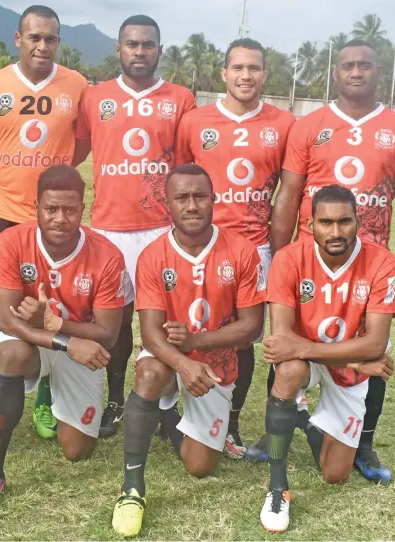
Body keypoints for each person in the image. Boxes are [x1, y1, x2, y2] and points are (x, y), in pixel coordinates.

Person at [253, 39, 395, 483]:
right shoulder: (311, 126)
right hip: (311, 261)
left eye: (364, 65)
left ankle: (362, 441)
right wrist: (277, 257)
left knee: (376, 349)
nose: (355, 72)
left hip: (369, 266)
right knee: (289, 343)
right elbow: (289, 194)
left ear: (377, 72)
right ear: (335, 73)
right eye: (347, 65)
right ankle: (280, 425)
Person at [111, 164, 266, 537]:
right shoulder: (152, 256)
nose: (192, 205)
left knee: (199, 467)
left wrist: (194, 343)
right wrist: (183, 363)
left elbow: (252, 326)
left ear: (214, 200)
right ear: (167, 203)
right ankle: (132, 487)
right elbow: (150, 334)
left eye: (200, 196)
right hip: (169, 357)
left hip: (215, 364)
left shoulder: (242, 251)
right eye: (182, 197)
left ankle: (169, 415)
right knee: (150, 373)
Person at [0, 165, 126, 519]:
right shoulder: (11, 241)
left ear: (82, 209)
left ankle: (53, 397)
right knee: (8, 352)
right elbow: (6, 319)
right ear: (36, 206)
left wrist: (55, 322)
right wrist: (63, 339)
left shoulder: (107, 255)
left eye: (70, 210)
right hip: (47, 343)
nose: (60, 218)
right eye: (51, 209)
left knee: (76, 450)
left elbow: (108, 333)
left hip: (73, 343)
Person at [0, 4, 88, 440]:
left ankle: (46, 401)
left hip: (56, 223)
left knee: (57, 308)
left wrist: (57, 175)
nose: (42, 45)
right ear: (18, 38)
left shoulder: (76, 84)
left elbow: (84, 141)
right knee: (8, 311)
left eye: (50, 38)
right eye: (34, 37)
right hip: (7, 215)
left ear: (59, 42)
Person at [73, 14, 196, 439]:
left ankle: (166, 404)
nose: (139, 51)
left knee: (166, 320)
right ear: (118, 49)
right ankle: (114, 398)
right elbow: (73, 152)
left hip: (163, 228)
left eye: (147, 45)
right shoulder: (95, 98)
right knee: (115, 322)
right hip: (109, 228)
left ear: (159, 50)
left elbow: (187, 167)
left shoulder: (180, 99)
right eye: (131, 44)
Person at [174, 38, 295, 458]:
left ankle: (232, 421)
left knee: (242, 340)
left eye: (254, 68)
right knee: (187, 327)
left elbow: (288, 194)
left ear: (265, 75)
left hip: (255, 248)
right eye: (238, 68)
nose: (246, 75)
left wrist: (279, 253)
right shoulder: (194, 121)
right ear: (223, 73)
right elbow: (180, 183)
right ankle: (173, 414)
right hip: (198, 248)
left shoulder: (283, 123)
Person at [259, 185, 395, 532]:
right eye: (326, 222)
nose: (336, 232)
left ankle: (305, 419)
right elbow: (280, 342)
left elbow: (376, 343)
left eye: (344, 222)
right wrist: (355, 360)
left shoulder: (382, 261)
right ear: (310, 224)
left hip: (335, 358)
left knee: (335, 475)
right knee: (289, 371)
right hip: (326, 358)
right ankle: (278, 487)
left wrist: (341, 358)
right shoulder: (289, 259)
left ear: (358, 221)